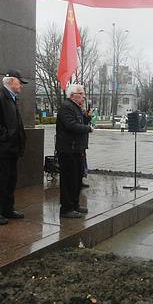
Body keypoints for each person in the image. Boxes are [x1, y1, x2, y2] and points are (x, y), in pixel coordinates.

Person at [0, 70, 27, 225]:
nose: (21, 85)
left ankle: (7, 209)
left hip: (11, 149)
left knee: (10, 180)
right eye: (19, 82)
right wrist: (6, 136)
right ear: (11, 82)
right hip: (1, 149)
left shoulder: (12, 99)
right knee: (1, 181)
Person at [56, 84, 93, 218]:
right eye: (81, 94)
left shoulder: (76, 108)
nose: (83, 97)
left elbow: (81, 122)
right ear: (72, 95)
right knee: (69, 180)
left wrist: (87, 118)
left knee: (77, 179)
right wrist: (89, 129)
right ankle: (66, 208)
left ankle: (75, 205)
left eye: (83, 94)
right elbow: (71, 126)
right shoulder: (66, 107)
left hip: (77, 149)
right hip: (67, 149)